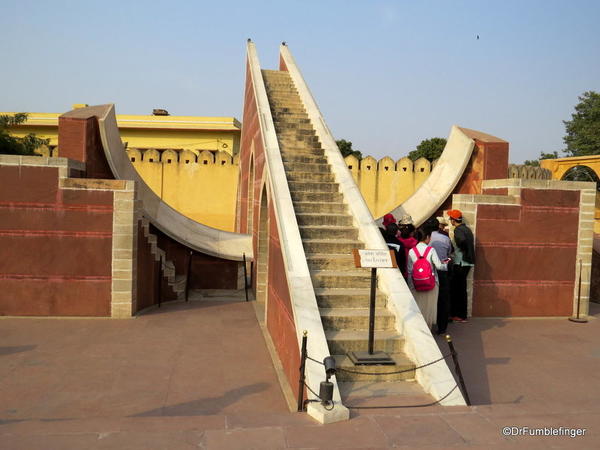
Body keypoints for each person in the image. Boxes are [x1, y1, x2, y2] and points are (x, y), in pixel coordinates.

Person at [407, 227, 448, 330]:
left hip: (416, 285)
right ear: (427, 237)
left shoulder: (412, 251)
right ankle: (428, 329)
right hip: (432, 284)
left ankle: (418, 328)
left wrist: (410, 286)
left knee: (418, 308)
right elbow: (439, 266)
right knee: (429, 309)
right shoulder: (431, 250)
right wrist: (446, 264)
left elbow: (409, 271)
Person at [447, 209, 475, 323]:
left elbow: (462, 241)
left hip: (461, 262)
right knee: (461, 289)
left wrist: (461, 248)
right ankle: (461, 315)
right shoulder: (467, 229)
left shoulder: (458, 230)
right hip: (467, 262)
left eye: (450, 219)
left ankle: (460, 315)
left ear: (454, 220)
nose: (450, 220)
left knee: (458, 289)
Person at [429, 216, 453, 334]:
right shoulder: (445, 238)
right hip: (442, 270)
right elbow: (449, 253)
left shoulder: (425, 239)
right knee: (443, 299)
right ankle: (442, 327)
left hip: (428, 270)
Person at [398, 215, 417, 279]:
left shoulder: (398, 241)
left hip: (401, 271)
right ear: (412, 232)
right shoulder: (415, 243)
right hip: (412, 271)